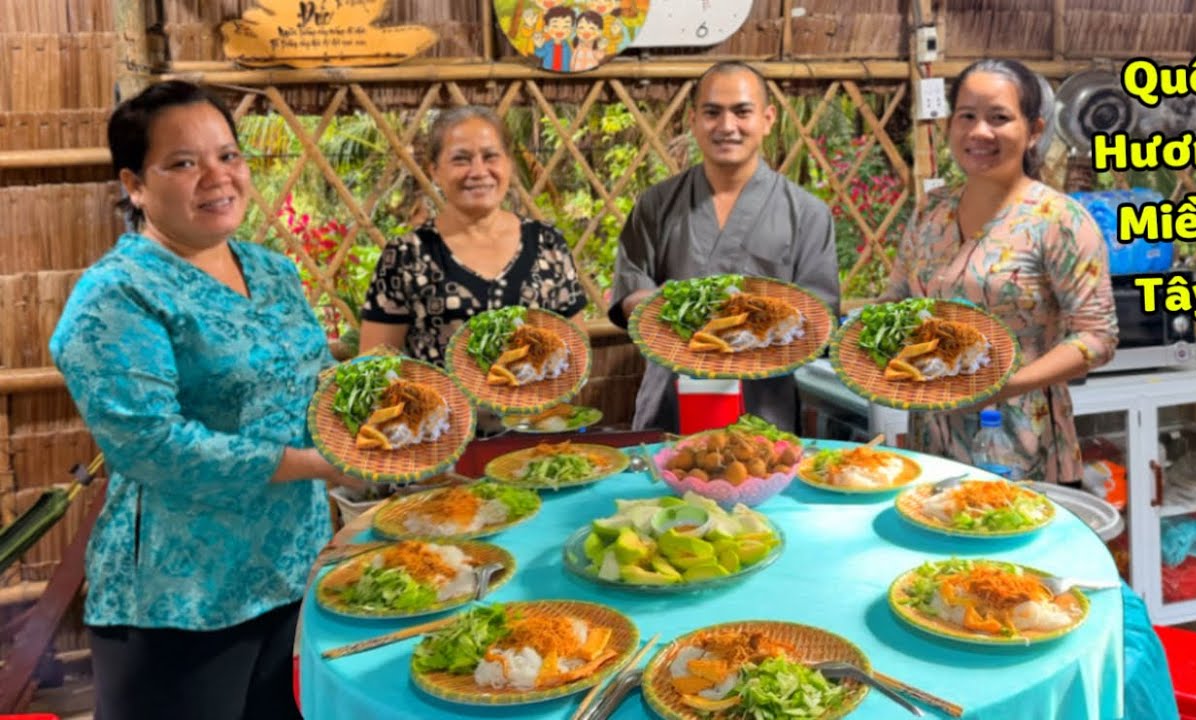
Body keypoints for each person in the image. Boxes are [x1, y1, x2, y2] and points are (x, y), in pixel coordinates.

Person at [48, 81, 362, 719]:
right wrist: (319, 464)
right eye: (184, 163)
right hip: (178, 598)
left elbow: (314, 380)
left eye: (228, 155)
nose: (217, 177)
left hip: (288, 568)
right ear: (135, 185)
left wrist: (384, 419)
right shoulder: (117, 295)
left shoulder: (270, 270)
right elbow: (153, 446)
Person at [881, 58, 1119, 486]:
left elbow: (1097, 338)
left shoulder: (1058, 220)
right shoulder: (932, 212)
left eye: (999, 118)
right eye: (966, 116)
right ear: (950, 126)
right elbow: (895, 302)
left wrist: (1005, 385)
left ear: (1034, 130)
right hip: (931, 446)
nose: (979, 132)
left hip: (1024, 448)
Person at [609, 61, 839, 434]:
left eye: (742, 112)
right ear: (693, 120)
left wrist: (758, 324)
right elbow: (629, 289)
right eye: (712, 112)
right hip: (670, 404)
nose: (727, 126)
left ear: (767, 119)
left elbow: (819, 316)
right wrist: (678, 309)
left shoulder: (807, 214)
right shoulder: (656, 204)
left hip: (764, 412)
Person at [359, 105, 587, 364]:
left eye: (490, 157)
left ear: (509, 164)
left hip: (542, 392)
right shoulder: (406, 256)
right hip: (439, 393)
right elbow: (373, 365)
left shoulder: (547, 243)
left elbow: (576, 356)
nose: (478, 171)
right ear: (434, 170)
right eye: (461, 159)